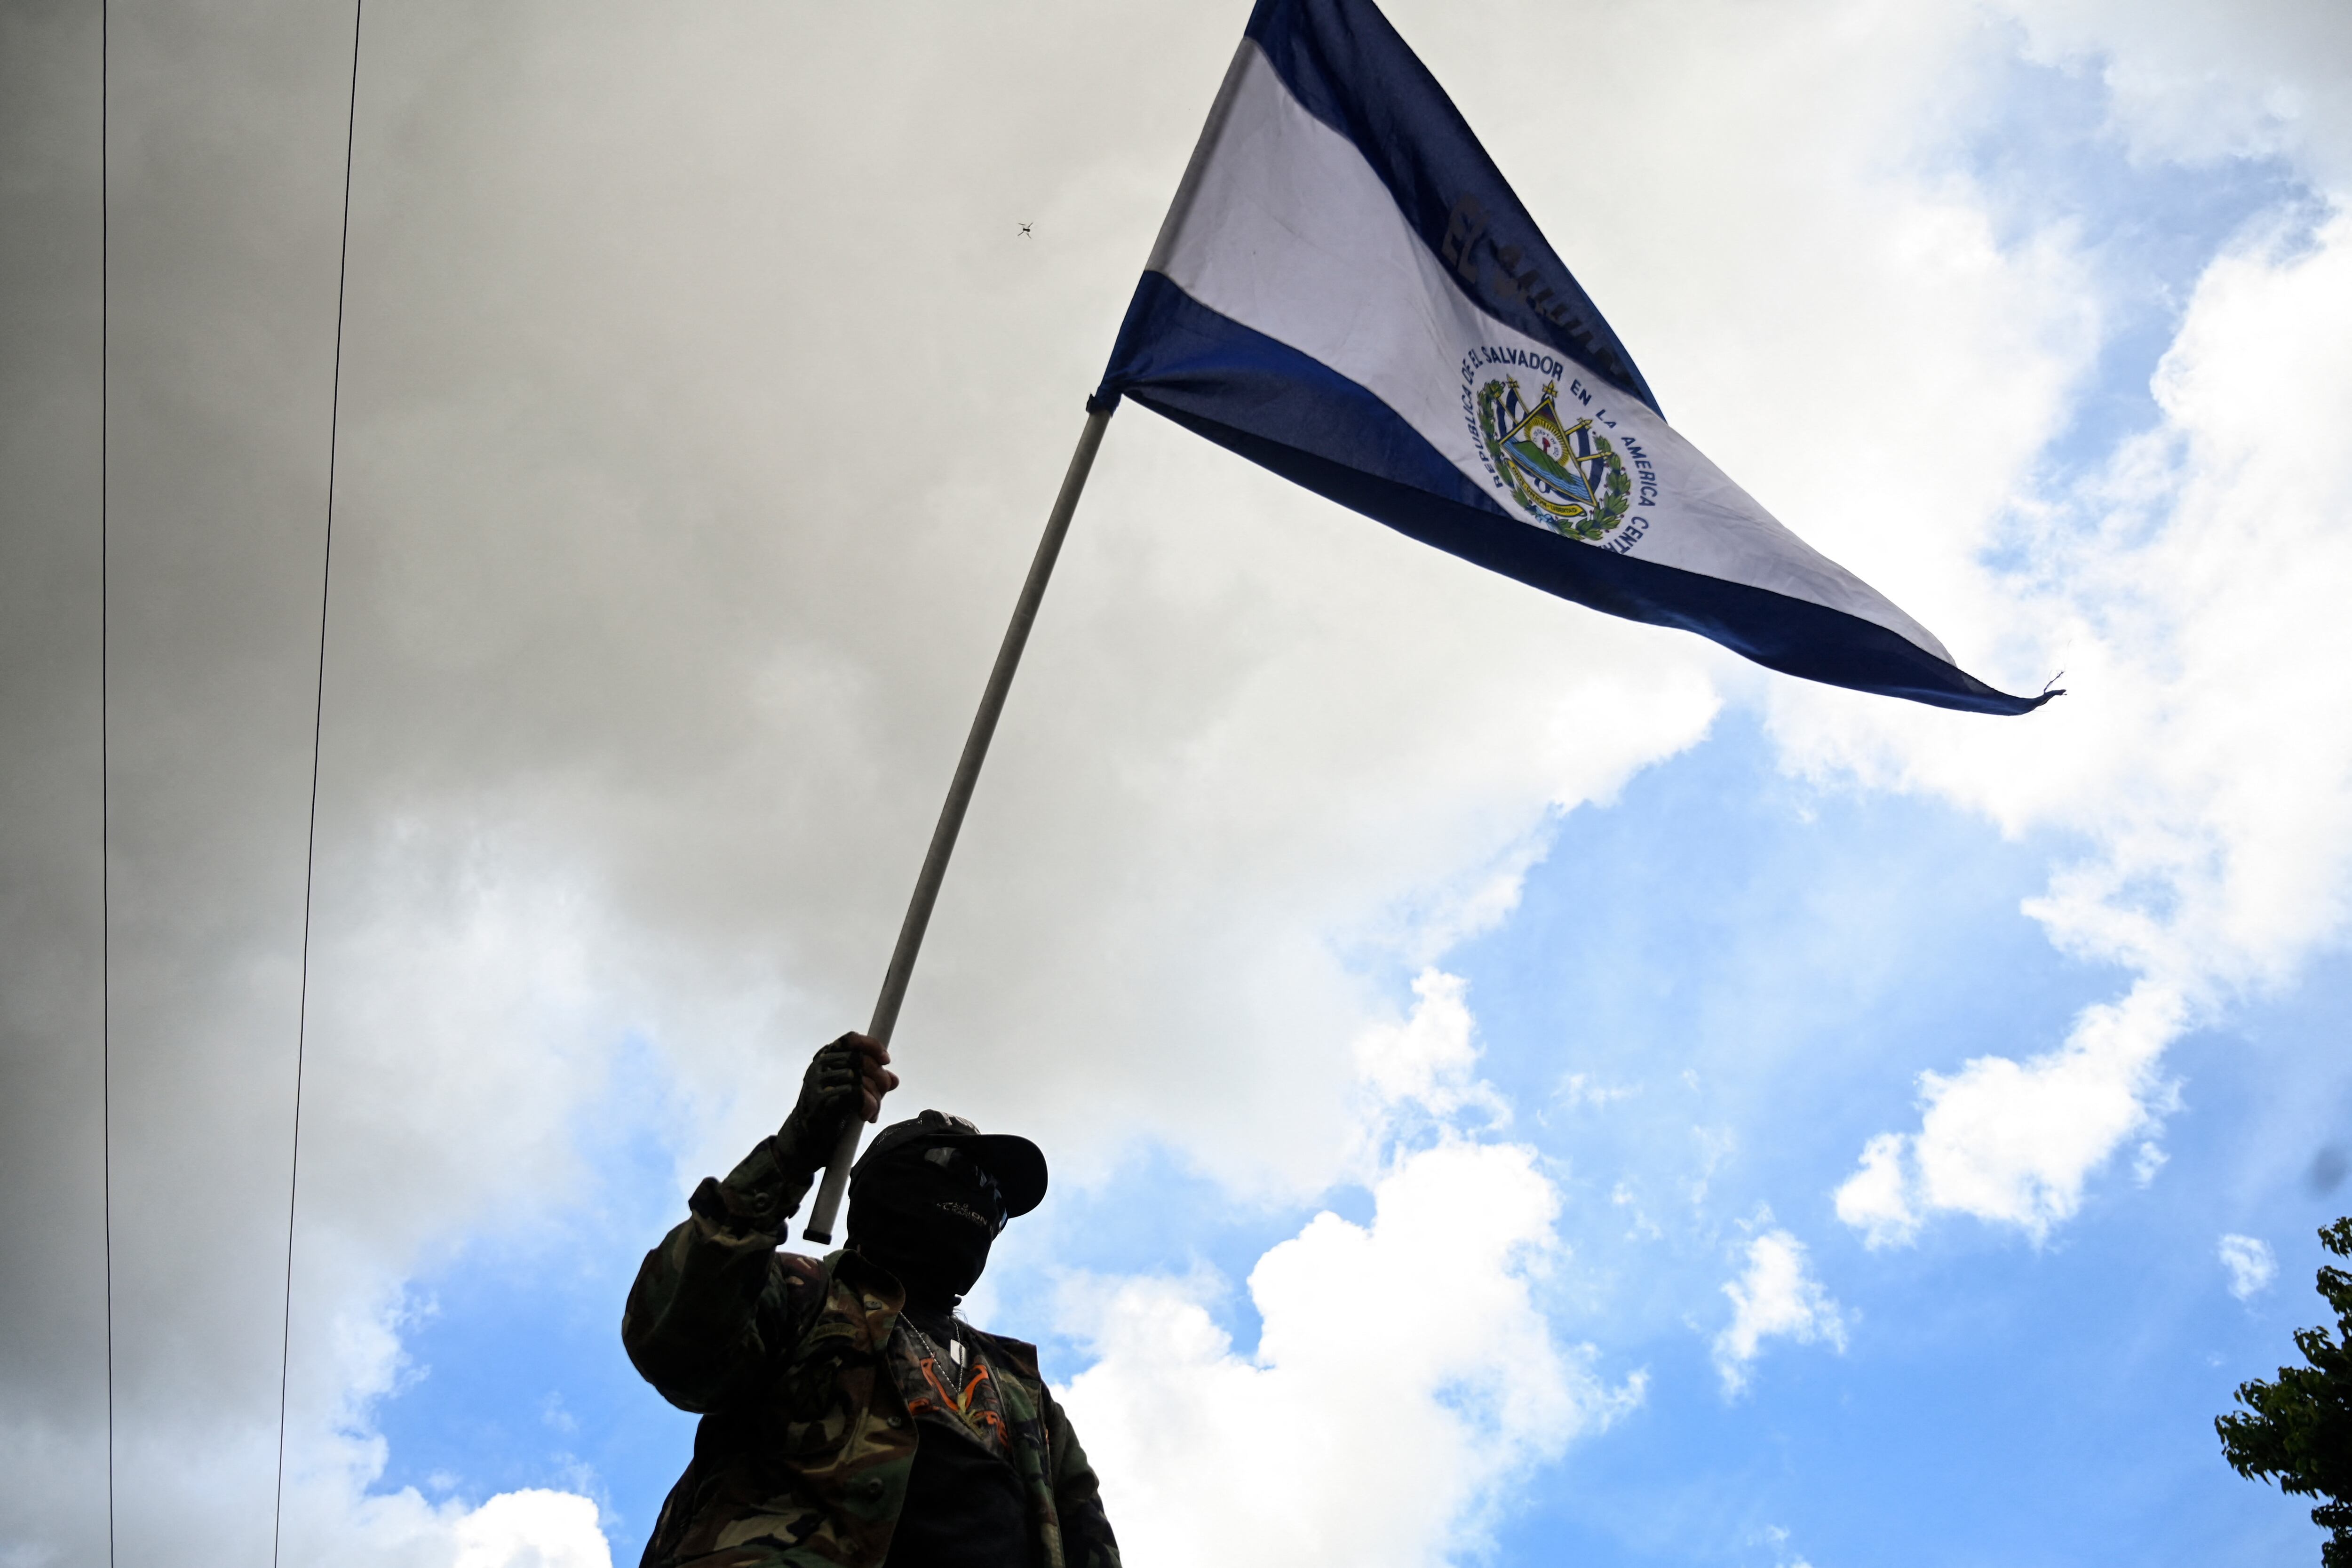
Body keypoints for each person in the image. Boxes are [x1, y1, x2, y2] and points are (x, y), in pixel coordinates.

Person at [623, 1032, 1121, 1568]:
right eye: (960, 1173)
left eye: (996, 1201)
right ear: (887, 1184)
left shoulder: (1024, 1393)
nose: (981, 1200)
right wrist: (793, 1152)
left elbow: (1087, 1538)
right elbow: (673, 1343)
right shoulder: (803, 1293)